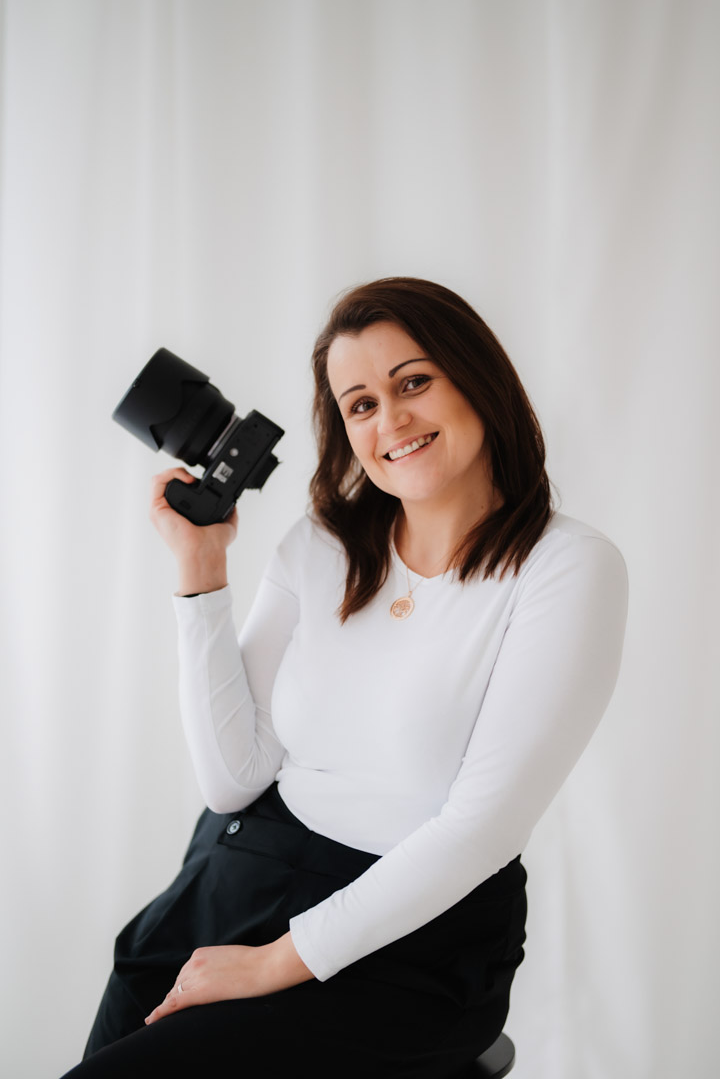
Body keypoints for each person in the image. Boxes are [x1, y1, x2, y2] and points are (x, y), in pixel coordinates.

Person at [62, 277, 628, 1078]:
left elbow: (480, 831)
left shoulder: (565, 568)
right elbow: (233, 779)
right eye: (361, 404)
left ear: (479, 380)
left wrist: (272, 963)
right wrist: (201, 570)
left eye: (413, 383)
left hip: (413, 936)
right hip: (243, 871)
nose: (390, 420)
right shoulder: (323, 542)